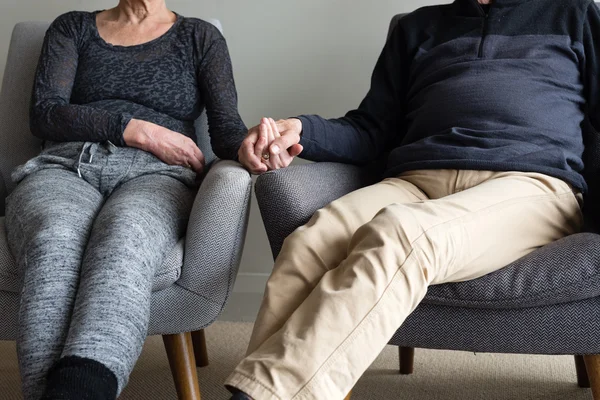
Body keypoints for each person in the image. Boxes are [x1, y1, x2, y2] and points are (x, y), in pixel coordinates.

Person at [229, 0, 595, 398]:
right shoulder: (418, 27)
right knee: (310, 242)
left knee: (401, 233)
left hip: (528, 183)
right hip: (417, 179)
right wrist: (299, 129)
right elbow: (371, 129)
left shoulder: (572, 13)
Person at [5, 0, 246, 398]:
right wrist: (137, 129)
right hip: (66, 165)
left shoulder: (199, 37)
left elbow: (225, 131)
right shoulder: (73, 28)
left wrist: (254, 147)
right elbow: (45, 114)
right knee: (53, 239)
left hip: (158, 174)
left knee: (125, 235)